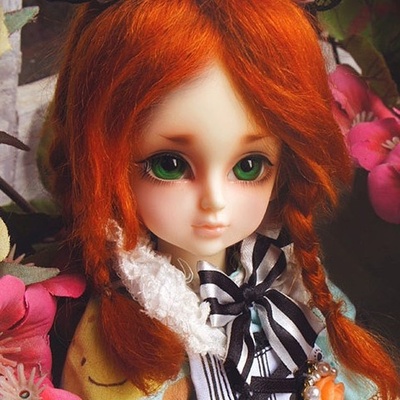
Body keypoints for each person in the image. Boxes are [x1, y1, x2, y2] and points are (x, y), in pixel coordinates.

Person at [47, 0, 400, 398]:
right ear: (107, 164)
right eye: (169, 165)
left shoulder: (294, 288)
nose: (214, 201)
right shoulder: (119, 338)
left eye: (249, 166)